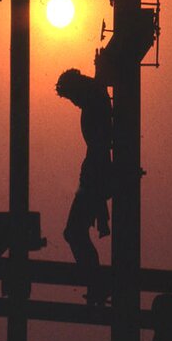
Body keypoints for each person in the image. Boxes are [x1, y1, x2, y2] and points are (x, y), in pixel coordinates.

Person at [56, 68, 112, 304]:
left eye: (72, 97)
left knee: (74, 231)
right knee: (75, 232)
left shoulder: (94, 107)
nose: (73, 102)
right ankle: (96, 283)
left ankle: (97, 283)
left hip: (93, 177)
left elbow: (99, 150)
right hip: (92, 176)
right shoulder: (96, 101)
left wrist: (100, 206)